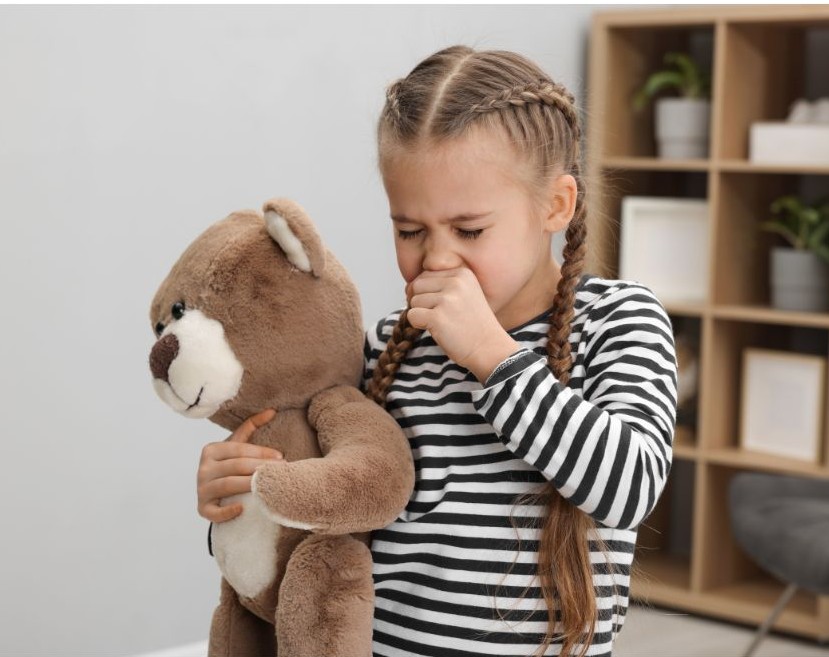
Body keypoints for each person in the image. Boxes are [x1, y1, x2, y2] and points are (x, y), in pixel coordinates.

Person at [197, 45, 677, 657]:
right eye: (409, 230)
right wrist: (240, 499)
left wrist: (492, 356)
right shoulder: (385, 349)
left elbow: (630, 489)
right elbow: (321, 526)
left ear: (556, 205)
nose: (438, 257)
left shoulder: (620, 320)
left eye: (470, 229)